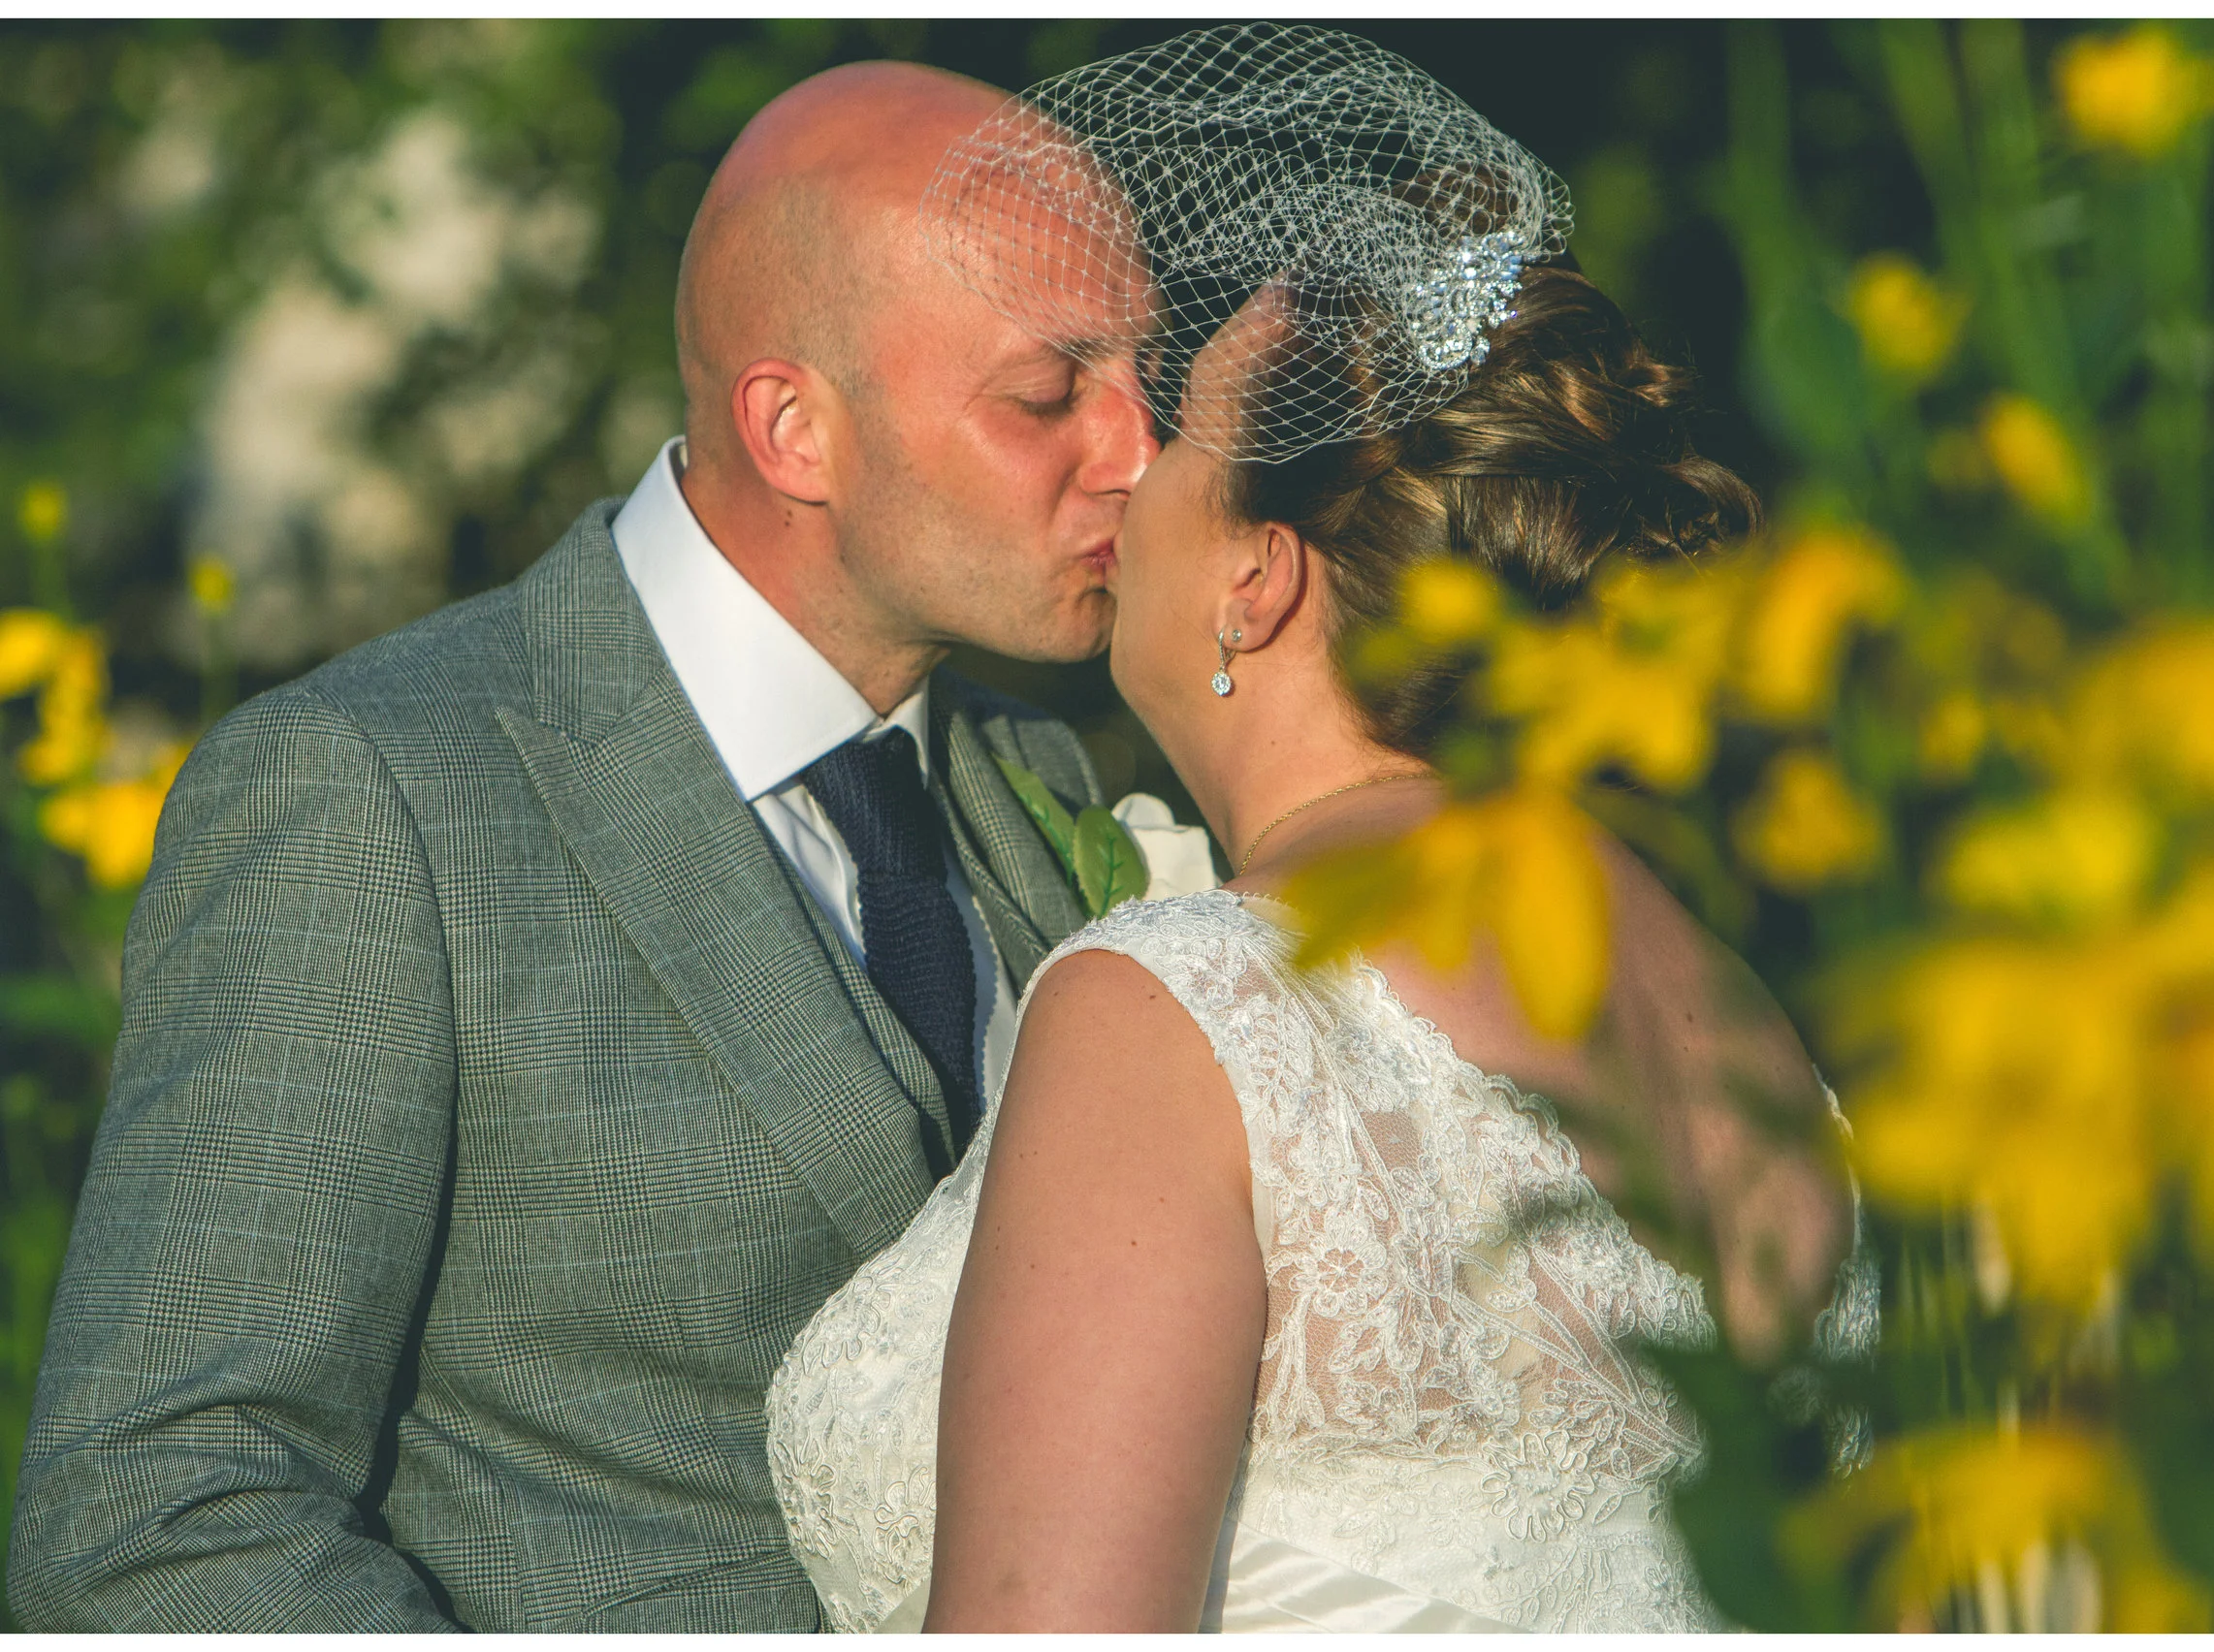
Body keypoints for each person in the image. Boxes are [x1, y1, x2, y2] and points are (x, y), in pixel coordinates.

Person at [7, 61, 1159, 1632]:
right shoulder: (367, 796)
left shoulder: (1039, 782)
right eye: (1049, 394)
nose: (1139, 453)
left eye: (1143, 381)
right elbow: (160, 1525)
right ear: (794, 429)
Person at [765, 25, 1857, 1634]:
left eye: (1174, 440)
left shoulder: (1191, 1002)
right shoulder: (1744, 1017)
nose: (1119, 473)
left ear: (1255, 577)